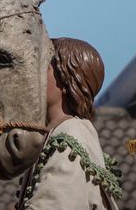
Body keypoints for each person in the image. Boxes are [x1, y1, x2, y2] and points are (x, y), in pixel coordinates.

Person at [13, 37, 123, 210]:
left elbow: (54, 205)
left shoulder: (71, 134)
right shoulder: (56, 134)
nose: (32, 74)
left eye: (43, 68)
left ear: (66, 80)